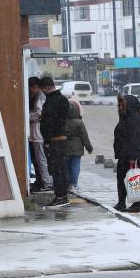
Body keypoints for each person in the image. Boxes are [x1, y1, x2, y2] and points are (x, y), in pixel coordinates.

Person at [113, 94, 140, 213]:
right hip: (125, 154)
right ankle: (121, 202)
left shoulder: (134, 118)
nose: (120, 107)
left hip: (131, 155)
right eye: (119, 105)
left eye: (122, 104)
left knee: (133, 178)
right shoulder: (126, 116)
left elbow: (136, 139)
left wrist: (134, 157)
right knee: (123, 178)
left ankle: (136, 204)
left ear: (129, 105)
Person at [39, 77, 71, 207]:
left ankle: (61, 196)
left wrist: (47, 139)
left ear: (46, 87)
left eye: (43, 89)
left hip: (55, 140)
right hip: (60, 139)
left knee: (57, 169)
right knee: (60, 169)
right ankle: (62, 195)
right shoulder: (61, 99)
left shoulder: (52, 101)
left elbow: (49, 122)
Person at [28, 77, 50, 192]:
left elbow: (40, 114)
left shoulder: (40, 97)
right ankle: (41, 181)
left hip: (38, 134)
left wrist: (27, 116)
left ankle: (46, 183)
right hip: (35, 134)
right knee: (38, 161)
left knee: (41, 160)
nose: (33, 90)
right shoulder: (36, 97)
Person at [63, 100, 93, 189]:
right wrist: (89, 148)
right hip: (77, 149)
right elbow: (84, 137)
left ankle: (67, 183)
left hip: (65, 147)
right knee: (75, 167)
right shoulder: (79, 123)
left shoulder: (62, 122)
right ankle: (74, 184)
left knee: (67, 167)